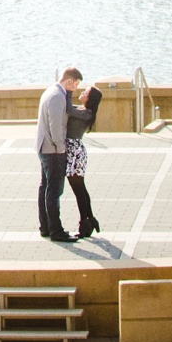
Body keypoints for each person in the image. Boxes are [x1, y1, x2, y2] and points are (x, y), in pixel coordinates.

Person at [61, 67, 102, 241]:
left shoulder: (87, 113)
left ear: (89, 98)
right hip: (73, 151)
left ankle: (86, 222)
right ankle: (89, 220)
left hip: (74, 152)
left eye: (85, 92)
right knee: (80, 189)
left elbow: (69, 110)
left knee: (79, 189)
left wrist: (68, 90)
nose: (82, 92)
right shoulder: (83, 110)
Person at [34, 71, 73, 241]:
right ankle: (56, 230)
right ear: (70, 81)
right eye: (76, 84)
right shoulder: (58, 96)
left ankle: (46, 227)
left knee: (45, 188)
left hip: (44, 147)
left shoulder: (50, 91)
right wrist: (61, 148)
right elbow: (56, 126)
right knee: (54, 190)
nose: (76, 88)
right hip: (53, 150)